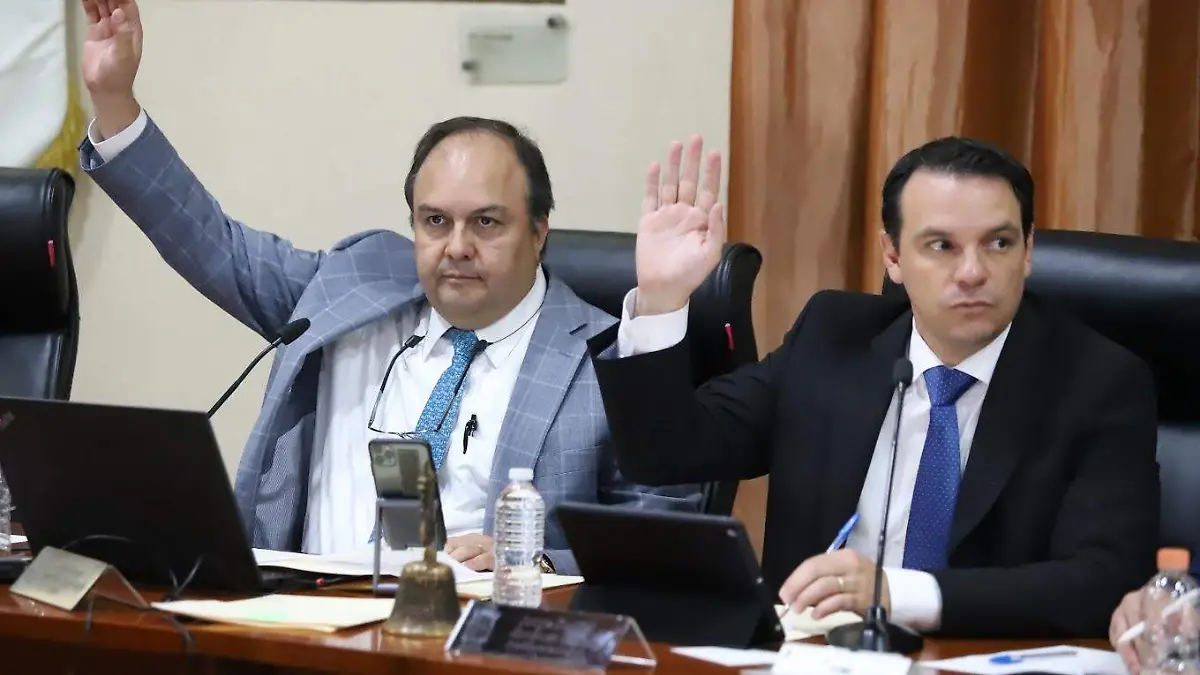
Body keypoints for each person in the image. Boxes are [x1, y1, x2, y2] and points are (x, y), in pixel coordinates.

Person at [77, 0, 700, 576]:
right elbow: (212, 243)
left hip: (471, 635)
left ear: (539, 231)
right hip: (299, 618)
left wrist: (535, 562)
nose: (457, 246)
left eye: (486, 222)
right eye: (435, 222)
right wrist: (113, 100)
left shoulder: (608, 360)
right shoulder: (351, 288)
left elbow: (661, 540)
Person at [588, 132, 1160, 637]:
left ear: (1028, 251)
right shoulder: (833, 339)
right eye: (941, 246)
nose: (972, 272)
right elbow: (666, 453)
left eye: (999, 243)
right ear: (893, 255)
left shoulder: (1097, 382)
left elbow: (1104, 580)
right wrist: (662, 300)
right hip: (817, 656)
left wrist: (895, 594)